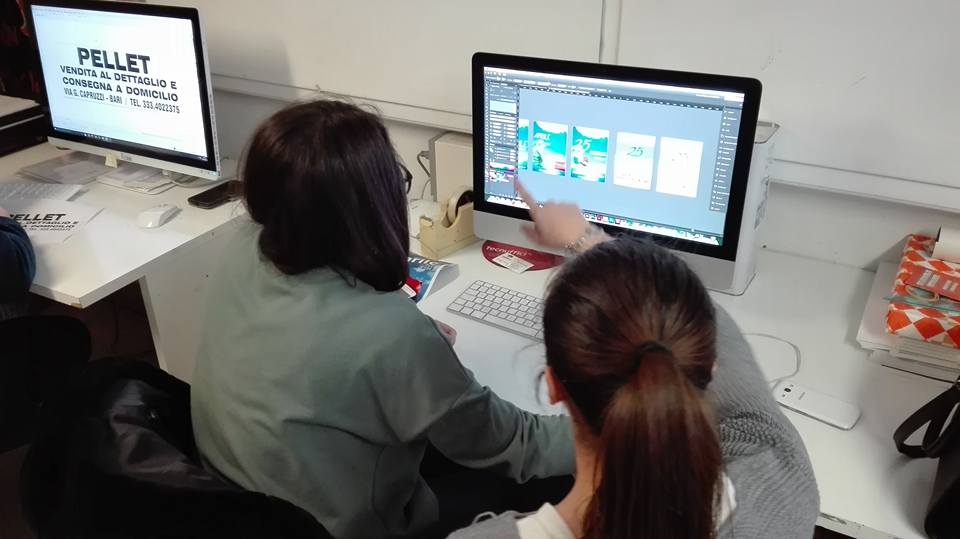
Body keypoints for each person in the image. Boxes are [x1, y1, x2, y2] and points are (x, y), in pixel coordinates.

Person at [189, 100, 574, 539]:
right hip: (346, 528)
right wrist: (622, 434)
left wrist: (410, 351)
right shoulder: (391, 335)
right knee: (547, 484)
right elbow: (514, 444)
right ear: (372, 203)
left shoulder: (244, 246)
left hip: (239, 505)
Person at [449, 185, 820, 539]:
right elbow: (716, 342)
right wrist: (588, 240)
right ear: (709, 372)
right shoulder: (781, 489)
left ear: (553, 385)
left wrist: (583, 242)